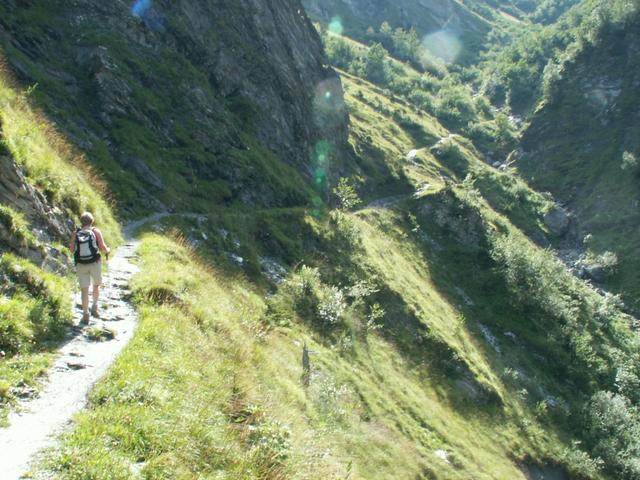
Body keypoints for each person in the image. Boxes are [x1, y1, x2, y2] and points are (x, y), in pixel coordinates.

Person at [69, 212, 110, 324]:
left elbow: (72, 250)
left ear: (81, 222)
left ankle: (85, 313)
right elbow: (102, 247)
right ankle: (95, 306)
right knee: (96, 285)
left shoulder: (76, 233)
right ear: (92, 221)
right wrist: (108, 251)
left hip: (81, 264)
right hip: (95, 263)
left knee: (84, 290)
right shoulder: (95, 231)